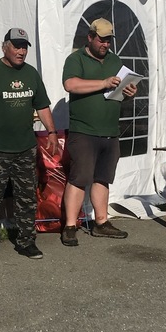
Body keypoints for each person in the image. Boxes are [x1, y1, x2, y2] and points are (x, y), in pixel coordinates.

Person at [0, 28, 58, 260]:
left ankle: (27, 241)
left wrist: (52, 132)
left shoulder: (31, 74)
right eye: (16, 46)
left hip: (25, 149)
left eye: (24, 47)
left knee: (26, 198)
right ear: (4, 46)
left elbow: (42, 106)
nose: (21, 51)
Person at [61, 18, 138, 247]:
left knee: (103, 178)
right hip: (84, 131)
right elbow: (70, 85)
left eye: (108, 40)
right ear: (90, 37)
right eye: (101, 40)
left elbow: (119, 92)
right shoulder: (76, 59)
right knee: (79, 178)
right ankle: (70, 226)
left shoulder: (115, 60)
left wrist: (129, 91)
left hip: (110, 131)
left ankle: (101, 222)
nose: (105, 44)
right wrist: (103, 83)